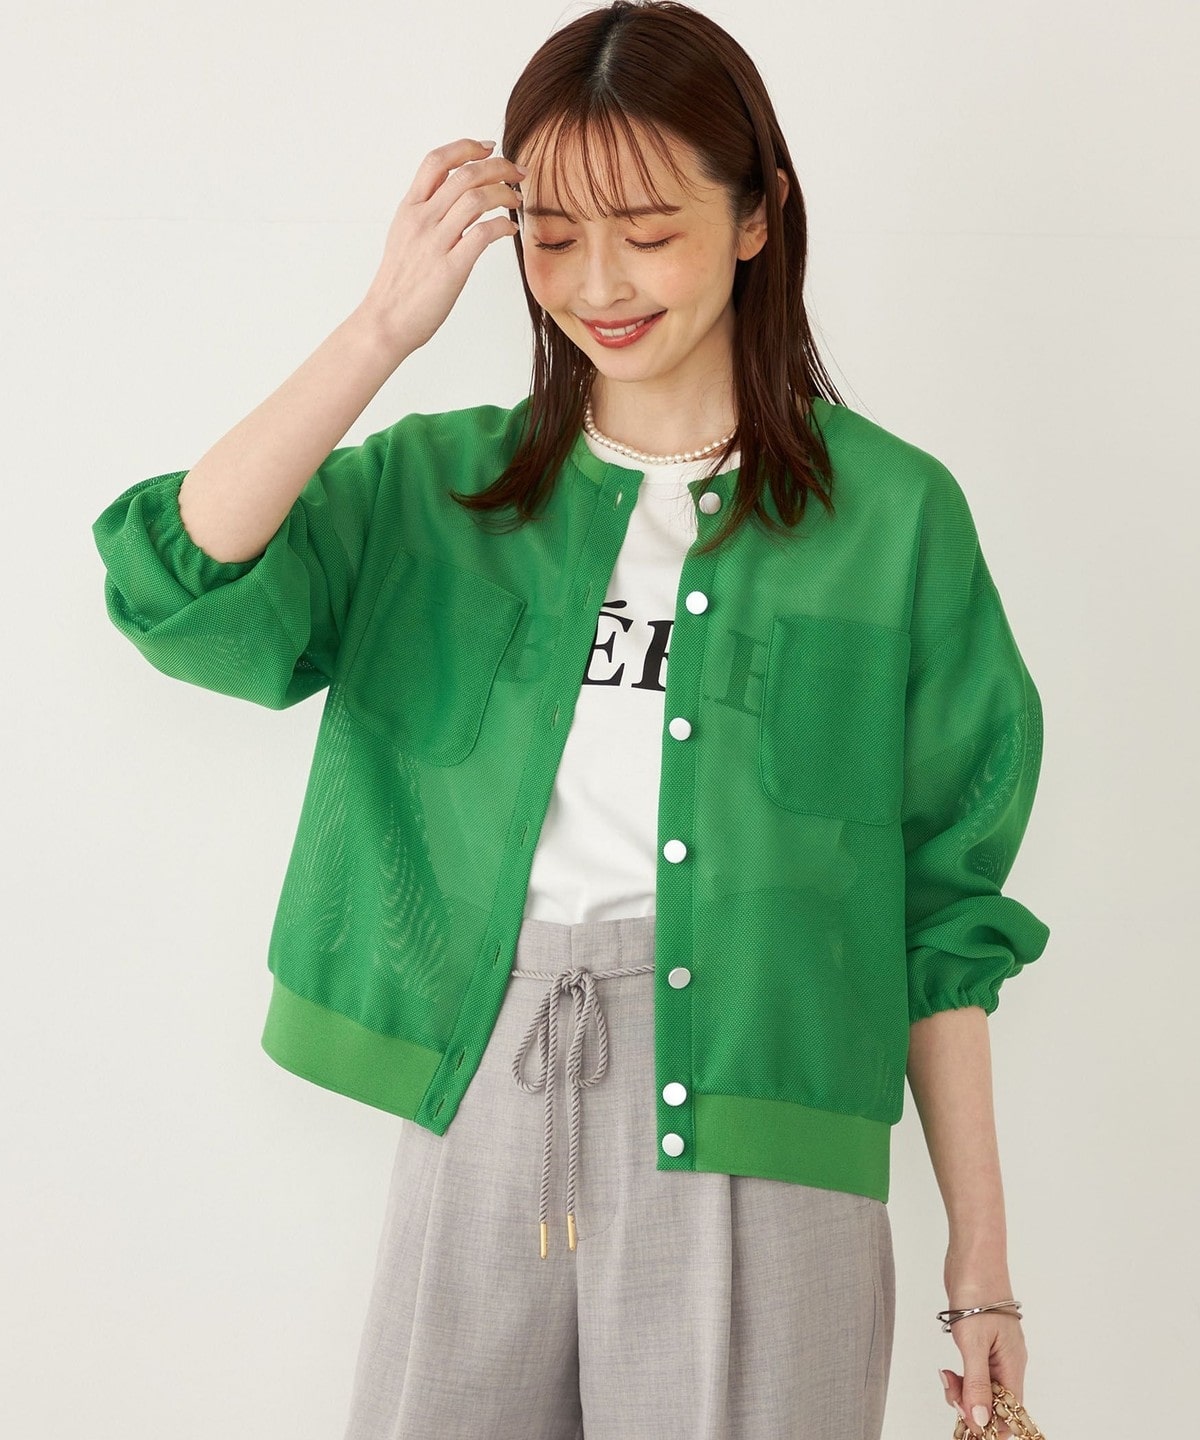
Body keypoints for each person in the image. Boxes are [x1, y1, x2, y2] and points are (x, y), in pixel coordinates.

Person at [90, 3, 1051, 1438]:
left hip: (768, 1121)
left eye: (650, 233)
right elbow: (176, 583)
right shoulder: (438, 493)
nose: (598, 283)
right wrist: (380, 329)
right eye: (551, 237)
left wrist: (984, 1267)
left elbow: (942, 906)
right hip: (484, 1095)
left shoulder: (893, 517)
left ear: (756, 216)